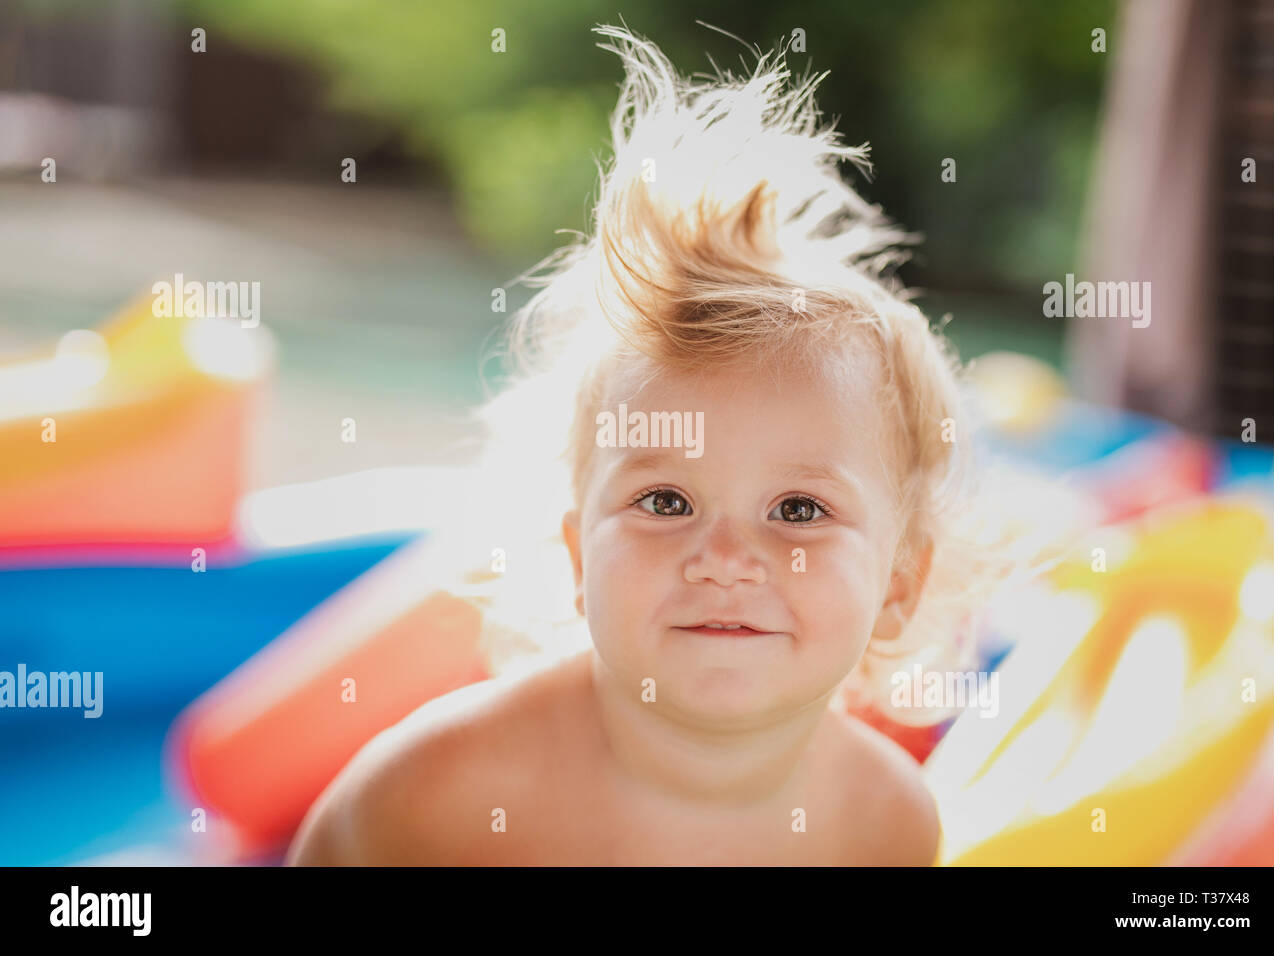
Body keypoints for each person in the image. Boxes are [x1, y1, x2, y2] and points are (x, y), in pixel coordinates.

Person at [287, 22, 1015, 866]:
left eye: (799, 509)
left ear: (899, 583)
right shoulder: (441, 795)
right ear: (578, 556)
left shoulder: (883, 823)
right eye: (665, 500)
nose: (727, 557)